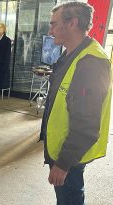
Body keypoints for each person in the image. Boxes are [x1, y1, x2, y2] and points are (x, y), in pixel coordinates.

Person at [40, 2, 111, 204]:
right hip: (62, 148)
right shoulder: (71, 54)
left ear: (72, 23)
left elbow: (87, 124)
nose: (50, 30)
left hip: (70, 156)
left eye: (54, 24)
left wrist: (63, 164)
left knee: (70, 199)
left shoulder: (91, 63)